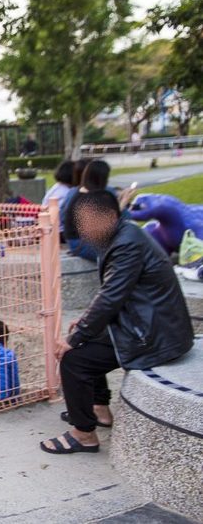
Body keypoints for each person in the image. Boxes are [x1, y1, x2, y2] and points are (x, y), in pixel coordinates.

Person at [41, 190, 194, 454]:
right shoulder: (122, 235)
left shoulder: (126, 244)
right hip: (148, 325)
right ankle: (99, 409)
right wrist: (85, 322)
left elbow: (112, 297)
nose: (83, 228)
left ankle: (83, 434)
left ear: (110, 216)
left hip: (154, 336)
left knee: (74, 357)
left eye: (88, 221)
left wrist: (73, 339)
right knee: (84, 333)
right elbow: (113, 293)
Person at [62, 160, 137, 262]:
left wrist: (120, 199)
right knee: (128, 254)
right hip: (81, 244)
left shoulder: (85, 192)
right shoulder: (87, 197)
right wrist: (124, 201)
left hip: (84, 241)